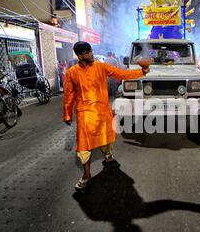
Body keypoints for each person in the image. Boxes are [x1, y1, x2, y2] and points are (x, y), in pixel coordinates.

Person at [63, 41, 152, 192]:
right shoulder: (72, 72)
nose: (91, 54)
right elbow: (68, 95)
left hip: (103, 111)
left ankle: (108, 153)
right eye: (87, 53)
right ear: (79, 56)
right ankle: (86, 175)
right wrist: (67, 114)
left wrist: (142, 72)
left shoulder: (101, 66)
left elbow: (122, 74)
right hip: (85, 114)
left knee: (107, 139)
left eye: (91, 51)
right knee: (84, 146)